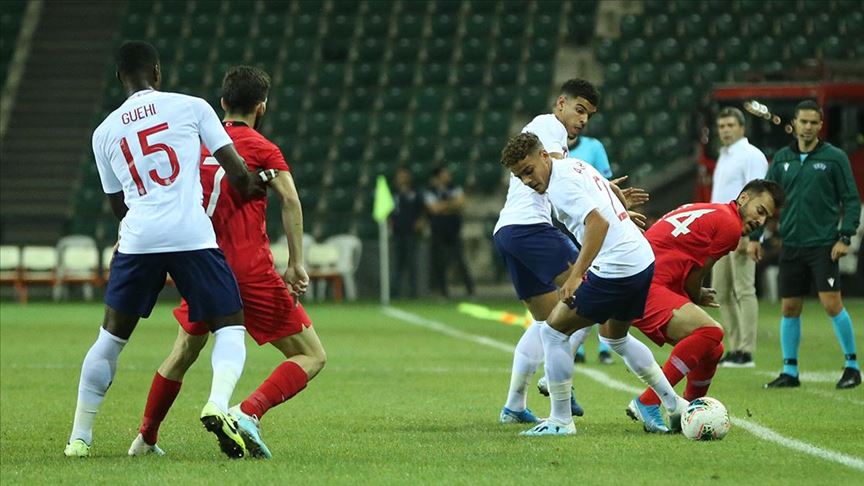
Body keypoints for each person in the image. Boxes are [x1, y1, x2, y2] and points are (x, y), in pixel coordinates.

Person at [65, 41, 267, 458]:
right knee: (229, 325)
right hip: (191, 233)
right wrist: (260, 181)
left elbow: (117, 206)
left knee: (110, 338)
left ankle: (79, 439)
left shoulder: (103, 132)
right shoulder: (191, 106)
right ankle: (217, 402)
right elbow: (239, 176)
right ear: (156, 71)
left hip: (139, 237)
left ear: (120, 78)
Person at [127, 66, 327, 459]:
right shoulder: (262, 149)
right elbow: (290, 200)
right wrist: (296, 264)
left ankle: (145, 439)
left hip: (203, 265)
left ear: (222, 103)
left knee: (184, 350)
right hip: (250, 270)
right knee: (311, 355)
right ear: (261, 107)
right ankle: (247, 412)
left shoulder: (193, 145)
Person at [501, 132, 688, 436]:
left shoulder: (560, 186)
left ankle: (561, 420)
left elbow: (597, 224)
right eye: (518, 175)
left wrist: (576, 275)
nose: (526, 180)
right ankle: (674, 405)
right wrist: (621, 210)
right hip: (640, 260)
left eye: (528, 170)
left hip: (617, 268)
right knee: (616, 338)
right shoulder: (575, 165)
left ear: (544, 156)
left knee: (552, 332)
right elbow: (605, 199)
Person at [627, 180, 784, 432]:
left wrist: (692, 295)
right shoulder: (730, 226)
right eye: (760, 210)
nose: (761, 221)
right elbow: (697, 274)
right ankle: (648, 401)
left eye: (767, 217)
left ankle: (687, 412)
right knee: (711, 332)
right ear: (743, 198)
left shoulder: (713, 210)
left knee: (712, 350)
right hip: (648, 284)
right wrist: (695, 294)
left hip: (643, 279)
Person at [495, 79, 600, 424]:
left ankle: (513, 406)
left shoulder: (553, 134)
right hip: (530, 229)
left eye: (589, 115)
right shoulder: (547, 126)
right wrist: (605, 194)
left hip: (509, 232)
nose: (583, 120)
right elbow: (558, 169)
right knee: (594, 296)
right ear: (560, 104)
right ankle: (556, 381)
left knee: (545, 323)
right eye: (579, 109)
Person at [762, 100, 861, 390]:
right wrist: (756, 237)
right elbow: (767, 200)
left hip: (823, 245)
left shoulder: (835, 158)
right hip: (791, 245)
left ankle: (852, 367)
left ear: (820, 125)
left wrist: (845, 236)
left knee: (832, 304)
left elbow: (851, 199)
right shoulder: (781, 159)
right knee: (789, 307)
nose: (807, 127)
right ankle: (789, 371)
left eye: (813, 122)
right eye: (803, 122)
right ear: (794, 124)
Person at [710, 107, 769, 368]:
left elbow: (760, 199)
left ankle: (747, 350)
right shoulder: (724, 155)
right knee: (721, 291)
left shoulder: (751, 155)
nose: (725, 130)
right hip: (720, 232)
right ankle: (734, 348)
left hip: (741, 230)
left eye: (730, 125)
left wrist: (755, 235)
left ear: (742, 128)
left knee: (744, 289)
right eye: (721, 126)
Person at [568, 132, 614, 364]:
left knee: (603, 279)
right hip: (568, 224)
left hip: (595, 222)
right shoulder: (550, 150)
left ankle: (605, 346)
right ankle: (578, 347)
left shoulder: (594, 147)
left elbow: (606, 185)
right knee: (571, 282)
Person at [425, 166, 475, 298]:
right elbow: (434, 209)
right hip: (438, 232)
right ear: (438, 176)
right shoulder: (431, 191)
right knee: (440, 262)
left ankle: (470, 291)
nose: (447, 176)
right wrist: (451, 205)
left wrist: (443, 206)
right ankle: (443, 293)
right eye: (444, 173)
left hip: (454, 231)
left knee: (460, 261)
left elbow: (461, 203)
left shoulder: (455, 188)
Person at [390, 167, 424, 298]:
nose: (402, 178)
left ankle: (413, 293)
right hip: (397, 233)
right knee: (397, 264)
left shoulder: (415, 192)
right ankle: (395, 294)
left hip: (411, 232)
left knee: (411, 263)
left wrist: (420, 221)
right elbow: (389, 211)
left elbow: (422, 209)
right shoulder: (393, 193)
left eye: (404, 175)